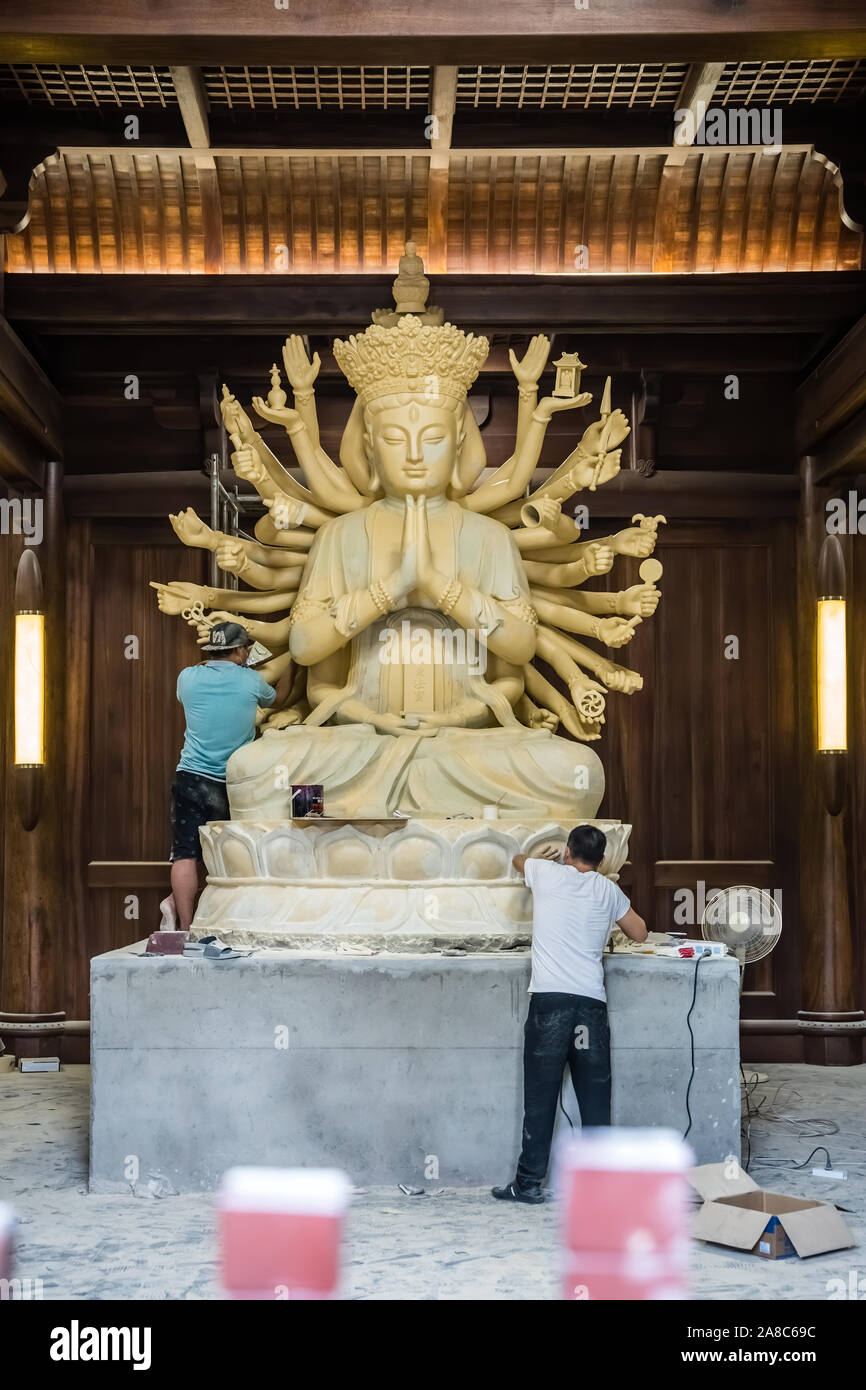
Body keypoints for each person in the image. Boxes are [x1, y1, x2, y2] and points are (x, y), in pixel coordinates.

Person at [492, 824, 647, 1204]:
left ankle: (527, 1184)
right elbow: (640, 932)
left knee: (540, 1098)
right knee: (595, 1100)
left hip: (549, 1005)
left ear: (567, 851)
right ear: (604, 859)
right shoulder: (608, 890)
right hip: (589, 1006)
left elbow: (516, 859)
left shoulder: (546, 874)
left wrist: (543, 859)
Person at [165, 621, 276, 930]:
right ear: (241, 650)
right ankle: (227, 920)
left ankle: (186, 927)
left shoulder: (187, 677)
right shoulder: (252, 681)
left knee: (185, 854)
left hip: (190, 777)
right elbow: (275, 697)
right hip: (232, 783)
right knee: (231, 854)